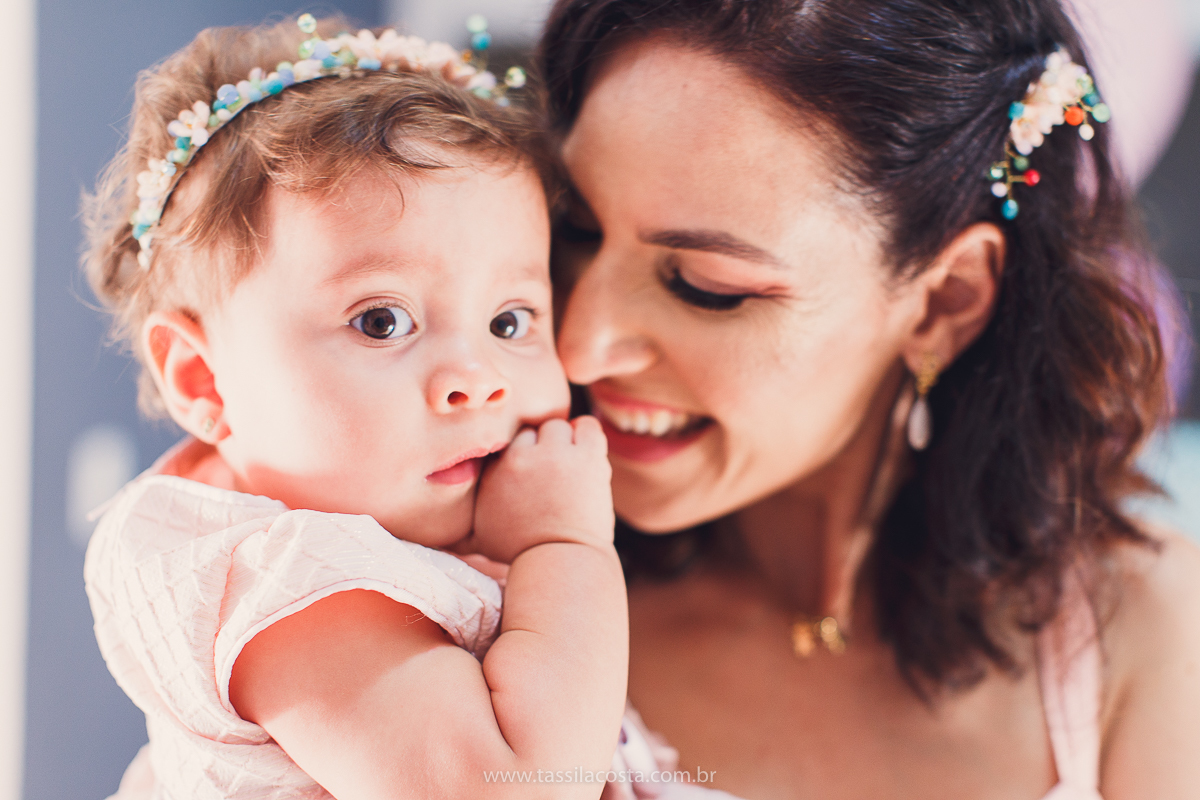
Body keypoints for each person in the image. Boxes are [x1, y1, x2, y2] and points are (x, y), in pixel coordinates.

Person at [537, 0, 1200, 797]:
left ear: (943, 303)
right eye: (575, 228)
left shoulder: (1147, 634)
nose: (578, 343)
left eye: (706, 288)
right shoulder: (496, 612)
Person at [82, 15, 627, 800]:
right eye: (381, 321)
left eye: (511, 321)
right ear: (204, 382)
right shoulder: (288, 590)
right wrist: (565, 547)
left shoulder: (378, 523)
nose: (477, 378)